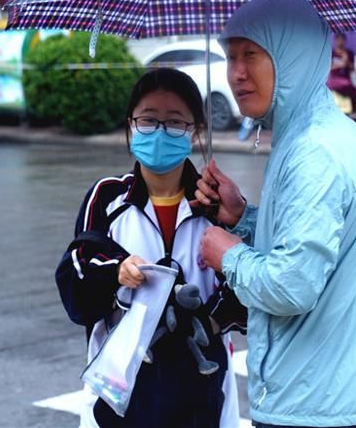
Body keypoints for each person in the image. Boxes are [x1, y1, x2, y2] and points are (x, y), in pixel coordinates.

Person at [194, 0, 356, 428]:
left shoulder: (314, 153)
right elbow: (313, 246)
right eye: (230, 56)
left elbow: (293, 286)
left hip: (319, 407)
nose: (236, 73)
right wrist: (243, 218)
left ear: (293, 55)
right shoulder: (320, 132)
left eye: (252, 55)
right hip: (335, 395)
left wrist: (227, 253)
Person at [55, 68, 246, 428]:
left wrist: (210, 320)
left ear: (197, 131)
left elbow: (250, 294)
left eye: (175, 123)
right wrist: (117, 272)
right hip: (121, 389)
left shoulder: (218, 204)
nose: (160, 132)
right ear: (130, 127)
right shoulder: (108, 196)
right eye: (148, 120)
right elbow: (77, 273)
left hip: (202, 386)